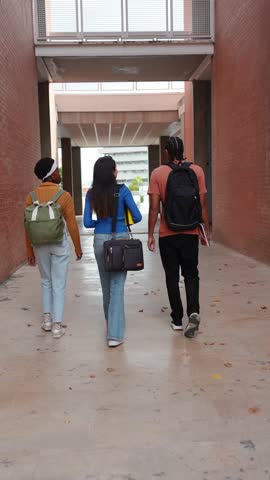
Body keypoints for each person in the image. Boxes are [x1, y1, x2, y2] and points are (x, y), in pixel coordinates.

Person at [147, 137, 210, 338]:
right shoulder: (197, 171)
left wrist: (150, 234)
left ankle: (176, 319)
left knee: (172, 277)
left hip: (168, 233)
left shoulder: (158, 173)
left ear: (166, 152)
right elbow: (202, 205)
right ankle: (194, 311)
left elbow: (154, 208)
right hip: (190, 231)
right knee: (191, 274)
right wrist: (205, 230)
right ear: (182, 151)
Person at [83, 155, 142, 347]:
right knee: (117, 286)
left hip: (100, 240)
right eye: (115, 168)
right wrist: (121, 221)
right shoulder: (122, 190)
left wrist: (99, 222)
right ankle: (115, 335)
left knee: (106, 286)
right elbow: (137, 216)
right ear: (112, 172)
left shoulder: (91, 193)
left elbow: (86, 222)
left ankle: (111, 325)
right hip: (120, 241)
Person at [25, 157, 83, 338]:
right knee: (58, 284)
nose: (59, 173)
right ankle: (57, 326)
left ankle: (47, 320)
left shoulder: (31, 197)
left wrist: (29, 251)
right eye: (57, 170)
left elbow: (26, 226)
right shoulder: (63, 196)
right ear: (51, 174)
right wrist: (78, 248)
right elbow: (72, 224)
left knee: (45, 281)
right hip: (58, 243)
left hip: (39, 245)